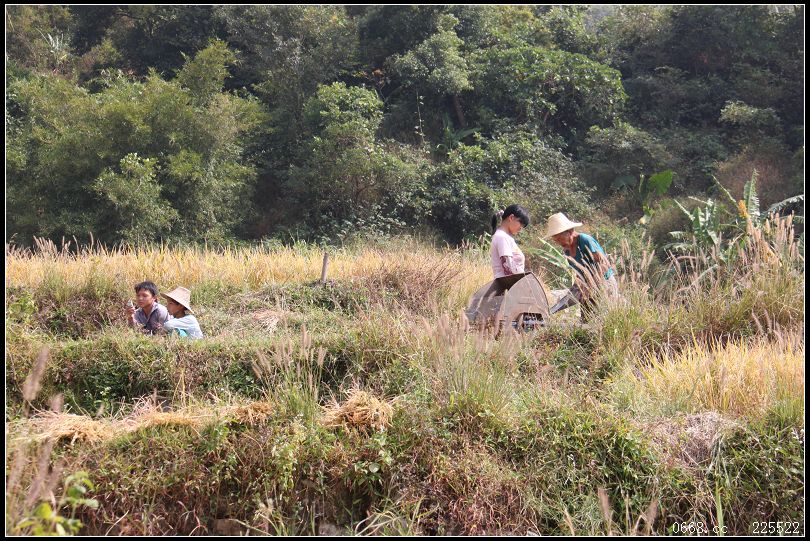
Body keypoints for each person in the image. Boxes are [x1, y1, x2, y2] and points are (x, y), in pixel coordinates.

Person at [546, 212, 618, 322]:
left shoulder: (585, 240)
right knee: (586, 320)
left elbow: (604, 264)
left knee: (604, 320)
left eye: (560, 238)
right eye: (555, 240)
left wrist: (592, 284)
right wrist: (580, 286)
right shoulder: (567, 250)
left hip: (604, 283)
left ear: (570, 231)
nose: (558, 243)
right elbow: (578, 271)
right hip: (586, 286)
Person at [490, 204, 530, 279]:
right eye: (521, 223)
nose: (521, 228)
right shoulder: (502, 237)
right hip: (509, 284)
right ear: (511, 217)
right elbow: (509, 270)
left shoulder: (505, 237)